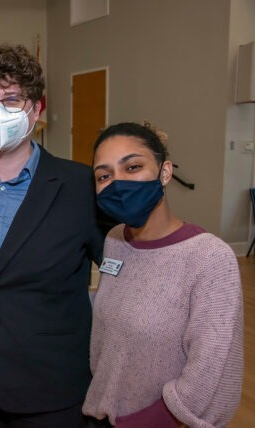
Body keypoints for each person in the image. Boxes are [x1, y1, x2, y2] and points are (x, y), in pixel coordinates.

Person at [0, 44, 103, 427]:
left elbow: (116, 270)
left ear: (37, 109)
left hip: (50, 384)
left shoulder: (78, 184)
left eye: (12, 99)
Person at [82, 121, 244, 427]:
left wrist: (152, 420)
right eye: (104, 175)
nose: (117, 184)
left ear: (165, 172)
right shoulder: (116, 240)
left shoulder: (210, 258)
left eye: (132, 167)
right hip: (102, 415)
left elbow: (213, 372)